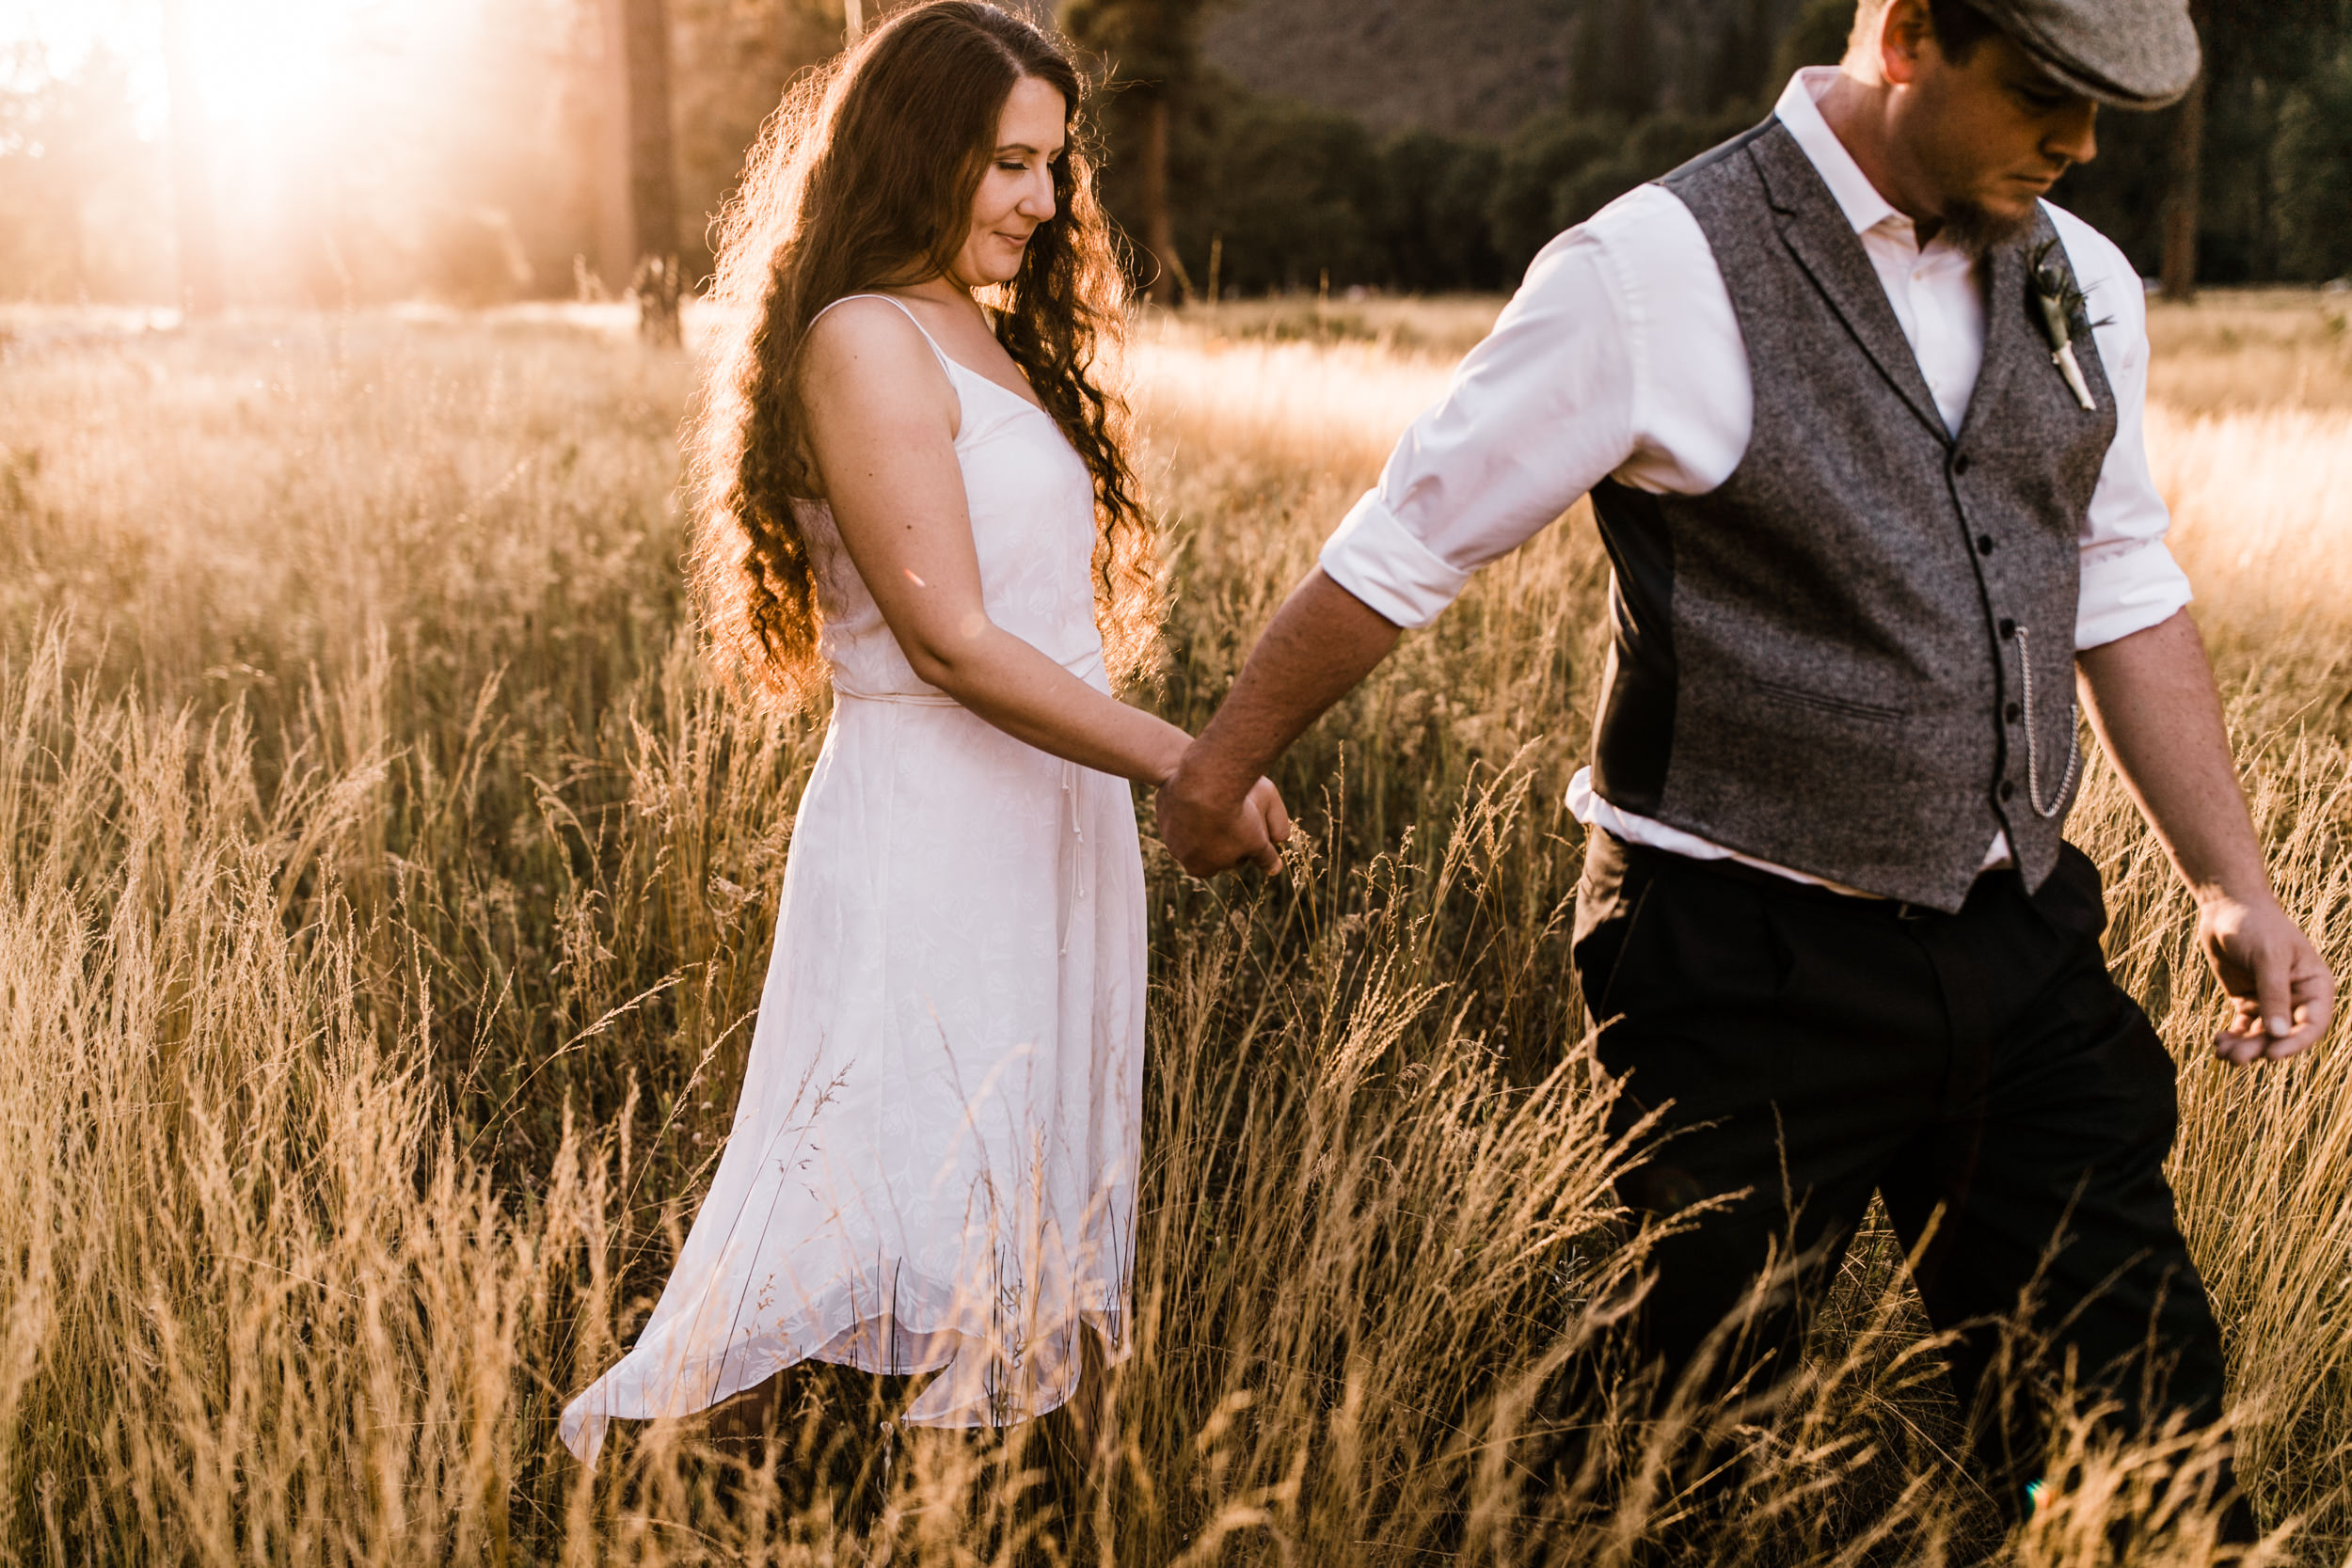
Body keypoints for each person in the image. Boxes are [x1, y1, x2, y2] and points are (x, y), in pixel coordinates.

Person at [1158, 0, 2335, 1531]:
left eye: (2108, 109)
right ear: (1909, 37)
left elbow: (2118, 580)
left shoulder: (2084, 277)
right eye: (2047, 94)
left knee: (2134, 1426)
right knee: (1685, 1447)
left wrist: (2231, 882)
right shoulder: (1652, 270)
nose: (2085, 144)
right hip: (1738, 964)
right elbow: (1406, 548)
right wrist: (1212, 771)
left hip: (2021, 944)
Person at [560, 1, 1285, 1465]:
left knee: (1009, 1181)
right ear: (919, 151)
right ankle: (666, 1483)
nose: (1042, 199)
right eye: (1008, 163)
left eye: (1053, 167)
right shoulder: (865, 340)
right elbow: (952, 642)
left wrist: (1128, 777)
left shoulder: (986, 334)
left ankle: (979, 1493)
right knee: (878, 1161)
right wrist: (1187, 762)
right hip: (936, 820)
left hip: (1045, 811)